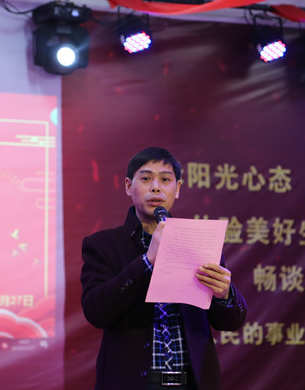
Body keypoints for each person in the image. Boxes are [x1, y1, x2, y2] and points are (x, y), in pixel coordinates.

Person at [80, 147, 247, 390]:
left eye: (165, 180)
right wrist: (147, 262)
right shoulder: (103, 245)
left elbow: (231, 322)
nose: (156, 187)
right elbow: (96, 311)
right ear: (128, 186)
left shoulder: (198, 241)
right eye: (146, 178)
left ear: (177, 188)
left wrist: (225, 294)